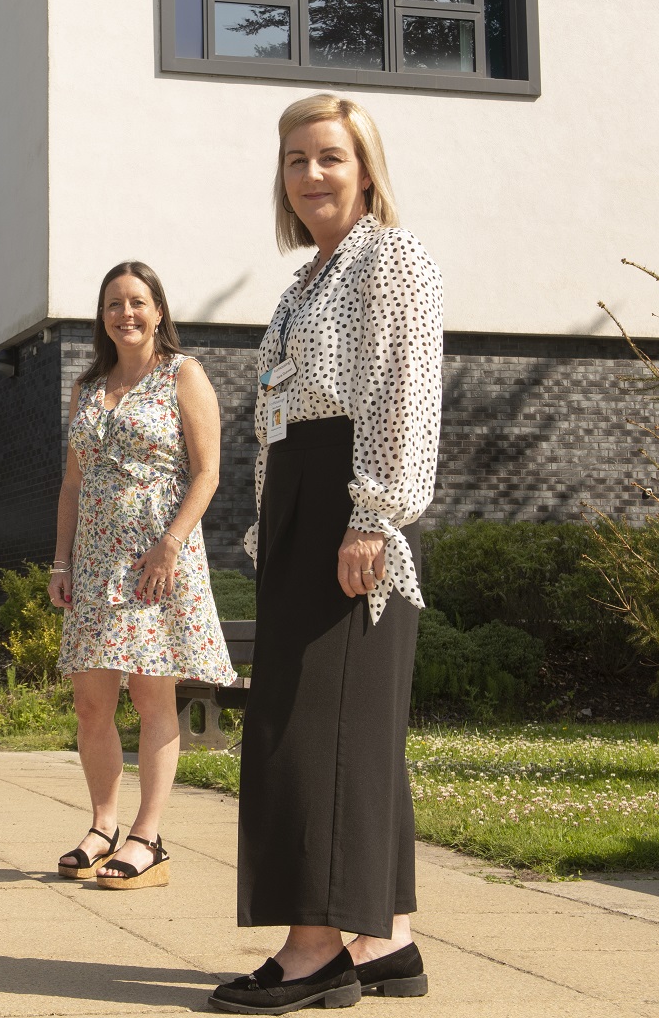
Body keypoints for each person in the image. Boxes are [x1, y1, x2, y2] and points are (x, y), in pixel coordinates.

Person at [211, 95, 444, 1014]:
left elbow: (403, 392)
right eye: (296, 158)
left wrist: (375, 518)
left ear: (366, 167)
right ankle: (387, 943)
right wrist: (279, 527)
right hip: (302, 509)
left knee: (309, 734)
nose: (310, 174)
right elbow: (280, 420)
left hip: (351, 504)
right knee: (348, 734)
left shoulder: (392, 257)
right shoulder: (303, 281)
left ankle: (314, 949)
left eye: (330, 157)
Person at [49, 261, 236, 890]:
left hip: (157, 559)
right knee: (91, 702)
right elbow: (72, 485)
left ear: (158, 310)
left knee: (152, 698)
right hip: (96, 564)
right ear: (101, 317)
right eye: (112, 305)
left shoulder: (184, 375)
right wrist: (61, 561)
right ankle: (103, 825)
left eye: (136, 302)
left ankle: (147, 837)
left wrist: (170, 544)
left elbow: (208, 471)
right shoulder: (88, 388)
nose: (125, 314)